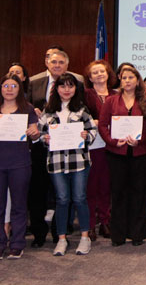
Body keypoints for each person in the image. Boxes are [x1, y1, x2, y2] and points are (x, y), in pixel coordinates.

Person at [28, 49, 85, 247]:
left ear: (67, 65)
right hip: (41, 147)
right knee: (39, 192)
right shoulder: (34, 83)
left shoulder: (78, 84)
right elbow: (27, 111)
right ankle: (39, 234)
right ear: (47, 63)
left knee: (63, 195)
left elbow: (82, 114)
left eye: (61, 62)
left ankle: (61, 233)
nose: (57, 65)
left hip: (68, 150)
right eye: (54, 62)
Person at [37, 73, 97, 256]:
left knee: (79, 198)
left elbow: (92, 130)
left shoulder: (82, 110)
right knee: (62, 200)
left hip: (79, 161)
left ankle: (85, 238)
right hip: (56, 163)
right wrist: (44, 138)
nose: (66, 90)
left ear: (75, 89)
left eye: (70, 86)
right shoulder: (48, 112)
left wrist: (87, 136)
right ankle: (62, 239)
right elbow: (40, 134)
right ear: (57, 89)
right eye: (63, 86)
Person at [0, 73, 40, 260]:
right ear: (0, 89)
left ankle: (17, 244)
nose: (9, 90)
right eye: (6, 86)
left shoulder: (27, 109)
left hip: (20, 162)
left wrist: (34, 133)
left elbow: (35, 135)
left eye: (13, 86)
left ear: (20, 89)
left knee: (19, 205)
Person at [97, 65, 146, 246]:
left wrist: (141, 140)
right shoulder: (111, 101)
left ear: (137, 81)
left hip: (140, 153)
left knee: (139, 193)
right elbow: (103, 126)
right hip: (116, 154)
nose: (127, 81)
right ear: (120, 80)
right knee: (119, 194)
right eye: (124, 78)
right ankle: (118, 235)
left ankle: (137, 234)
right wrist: (113, 142)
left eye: (131, 77)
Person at [84, 60, 116, 240]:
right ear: (90, 77)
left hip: (111, 145)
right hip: (93, 145)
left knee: (106, 185)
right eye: (94, 73)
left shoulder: (115, 94)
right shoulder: (86, 95)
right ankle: (90, 225)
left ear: (107, 74)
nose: (99, 75)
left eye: (102, 72)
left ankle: (105, 221)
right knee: (91, 186)